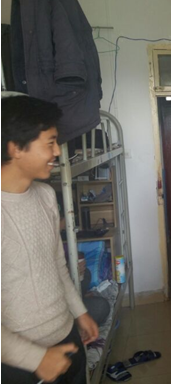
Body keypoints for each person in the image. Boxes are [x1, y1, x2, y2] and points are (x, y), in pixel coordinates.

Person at [1, 93, 99, 384]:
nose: (57, 151)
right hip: (19, 362)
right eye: (50, 142)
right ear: (16, 148)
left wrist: (79, 313)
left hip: (66, 337)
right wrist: (35, 359)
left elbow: (57, 264)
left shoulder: (45, 196)